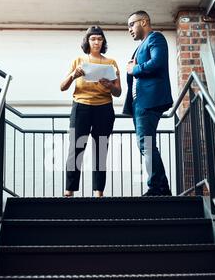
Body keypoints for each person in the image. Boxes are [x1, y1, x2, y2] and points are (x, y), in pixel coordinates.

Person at [61, 25, 121, 198]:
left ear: (103, 42)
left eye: (100, 39)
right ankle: (69, 190)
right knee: (76, 148)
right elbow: (62, 87)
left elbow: (118, 92)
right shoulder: (78, 61)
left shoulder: (111, 62)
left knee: (101, 149)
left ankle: (98, 192)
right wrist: (73, 75)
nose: (96, 42)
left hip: (104, 108)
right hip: (81, 107)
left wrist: (110, 85)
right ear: (87, 41)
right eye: (93, 39)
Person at [123, 10, 173, 196]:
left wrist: (133, 68)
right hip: (139, 104)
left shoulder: (155, 38)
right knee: (145, 143)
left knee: (146, 143)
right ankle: (161, 186)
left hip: (149, 100)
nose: (129, 29)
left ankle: (158, 187)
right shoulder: (139, 47)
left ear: (144, 22)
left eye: (131, 24)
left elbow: (158, 62)